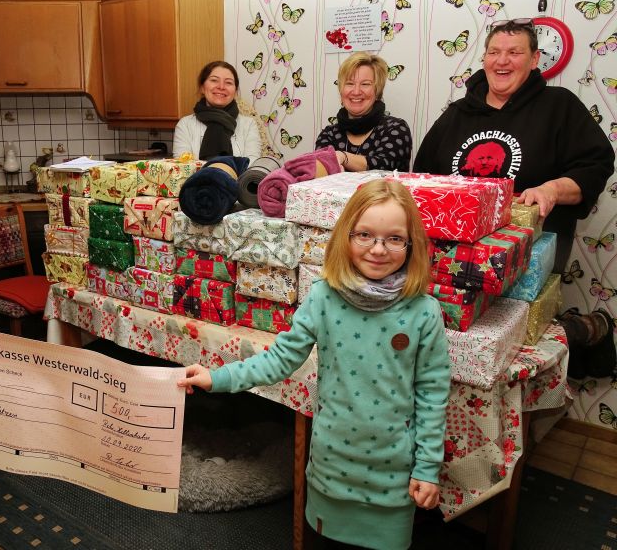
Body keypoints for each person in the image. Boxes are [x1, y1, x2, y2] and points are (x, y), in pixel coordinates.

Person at [179, 179, 451, 550]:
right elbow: (281, 358)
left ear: (411, 244)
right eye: (365, 235)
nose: (378, 249)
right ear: (345, 236)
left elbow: (433, 395)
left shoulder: (424, 312)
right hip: (331, 468)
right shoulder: (324, 296)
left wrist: (427, 467)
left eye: (394, 239)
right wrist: (218, 377)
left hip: (393, 476)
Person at [413, 18, 615, 379]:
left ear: (535, 59)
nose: (502, 61)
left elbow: (596, 163)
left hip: (527, 255)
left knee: (510, 352)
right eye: (494, 52)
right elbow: (422, 175)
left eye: (514, 52)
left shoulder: (559, 105)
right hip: (452, 258)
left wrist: (552, 189)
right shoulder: (457, 113)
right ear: (484, 58)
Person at [316, 52, 412, 173]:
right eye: (350, 83)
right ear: (341, 91)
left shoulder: (396, 128)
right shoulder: (329, 134)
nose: (356, 91)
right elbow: (320, 173)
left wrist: (342, 157)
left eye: (365, 84)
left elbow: (385, 166)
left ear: (377, 91)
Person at [173, 60, 262, 161]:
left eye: (228, 82)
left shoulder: (249, 125)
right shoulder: (185, 125)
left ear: (235, 91)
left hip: (239, 177)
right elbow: (183, 167)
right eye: (214, 80)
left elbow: (251, 165)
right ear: (202, 87)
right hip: (197, 177)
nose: (221, 87)